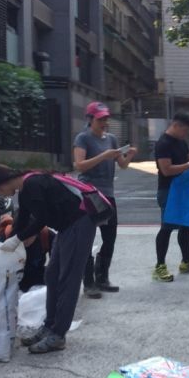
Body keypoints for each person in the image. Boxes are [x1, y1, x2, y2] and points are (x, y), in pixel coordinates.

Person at [0, 164, 97, 353]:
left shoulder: (32, 184)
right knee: (52, 275)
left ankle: (58, 335)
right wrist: (10, 239)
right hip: (66, 227)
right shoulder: (27, 186)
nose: (0, 194)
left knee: (68, 279)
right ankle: (49, 327)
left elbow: (41, 218)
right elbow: (23, 219)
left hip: (78, 224)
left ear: (0, 182)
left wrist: (17, 239)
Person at [73, 101, 137, 296]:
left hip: (107, 194)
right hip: (89, 193)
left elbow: (123, 165)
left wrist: (130, 155)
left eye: (106, 118)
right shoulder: (83, 138)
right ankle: (89, 282)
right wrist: (103, 156)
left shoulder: (111, 139)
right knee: (87, 237)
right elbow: (80, 165)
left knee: (109, 238)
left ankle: (102, 277)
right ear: (90, 119)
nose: (104, 122)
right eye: (100, 119)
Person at [153, 111, 189, 281]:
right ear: (176, 125)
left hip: (183, 189)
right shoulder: (163, 144)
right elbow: (166, 170)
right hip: (168, 190)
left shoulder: (181, 142)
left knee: (186, 225)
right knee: (167, 227)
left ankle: (186, 261)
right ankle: (159, 266)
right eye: (184, 130)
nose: (186, 134)